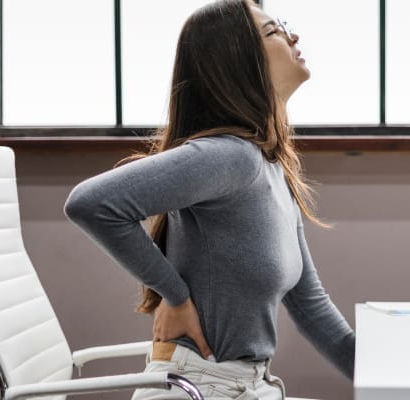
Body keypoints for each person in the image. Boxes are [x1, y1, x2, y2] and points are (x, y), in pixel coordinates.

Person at [63, 0, 355, 398]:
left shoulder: (269, 167)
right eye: (273, 31)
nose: (293, 35)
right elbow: (91, 202)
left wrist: (394, 381)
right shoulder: (230, 156)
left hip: (245, 385)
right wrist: (176, 294)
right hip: (200, 387)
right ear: (239, 62)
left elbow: (311, 306)